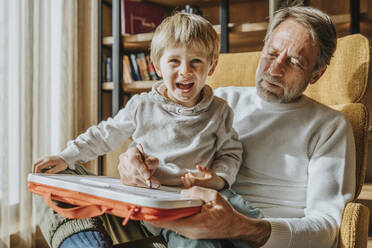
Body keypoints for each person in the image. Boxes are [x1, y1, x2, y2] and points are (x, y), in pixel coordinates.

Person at [119, 6, 356, 248]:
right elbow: (159, 143)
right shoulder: (216, 102)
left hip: (254, 237)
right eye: (271, 54)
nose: (274, 70)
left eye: (294, 62)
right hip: (178, 222)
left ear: (316, 74)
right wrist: (133, 159)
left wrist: (243, 227)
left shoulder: (329, 126)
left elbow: (328, 229)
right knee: (79, 185)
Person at [33, 12, 264, 248]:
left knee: (253, 221)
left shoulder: (220, 110)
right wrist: (65, 156)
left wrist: (218, 178)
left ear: (211, 67)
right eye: (174, 61)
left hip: (201, 195)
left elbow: (231, 152)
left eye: (196, 61)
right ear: (157, 67)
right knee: (53, 180)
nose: (185, 70)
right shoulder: (142, 105)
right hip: (156, 199)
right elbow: (105, 134)